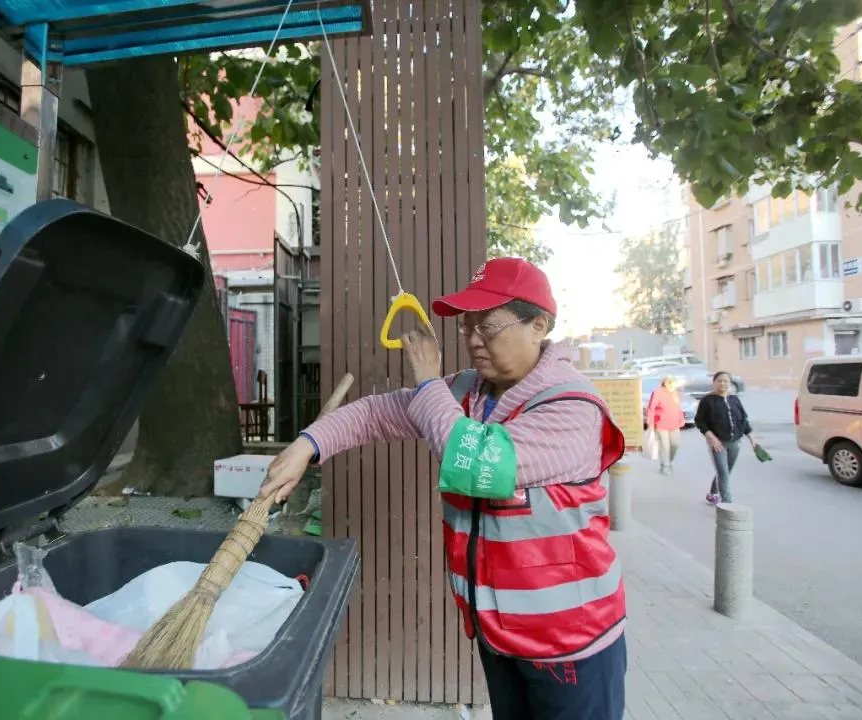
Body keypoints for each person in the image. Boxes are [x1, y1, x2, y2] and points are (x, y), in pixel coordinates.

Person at [260, 257, 628, 720]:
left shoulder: (572, 407)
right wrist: (307, 444)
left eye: (488, 327)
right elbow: (377, 413)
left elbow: (471, 463)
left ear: (539, 325)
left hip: (571, 644)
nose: (473, 340)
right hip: (500, 634)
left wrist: (430, 382)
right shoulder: (473, 392)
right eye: (467, 326)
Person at [694, 370, 756, 505]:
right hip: (718, 442)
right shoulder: (707, 401)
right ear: (714, 382)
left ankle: (713, 493)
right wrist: (711, 438)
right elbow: (700, 421)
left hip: (735, 441)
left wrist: (751, 438)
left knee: (726, 470)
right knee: (723, 472)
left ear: (730, 383)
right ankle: (727, 504)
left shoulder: (734, 399)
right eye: (719, 380)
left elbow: (743, 420)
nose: (722, 383)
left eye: (725, 381)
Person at [646, 374, 685, 475]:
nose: (671, 384)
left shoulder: (675, 393)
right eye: (669, 382)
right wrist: (650, 423)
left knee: (675, 444)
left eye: (672, 382)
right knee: (665, 446)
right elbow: (651, 408)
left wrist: (681, 418)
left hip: (674, 424)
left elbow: (678, 407)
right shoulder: (658, 393)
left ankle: (669, 461)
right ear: (664, 383)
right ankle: (664, 466)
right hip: (661, 424)